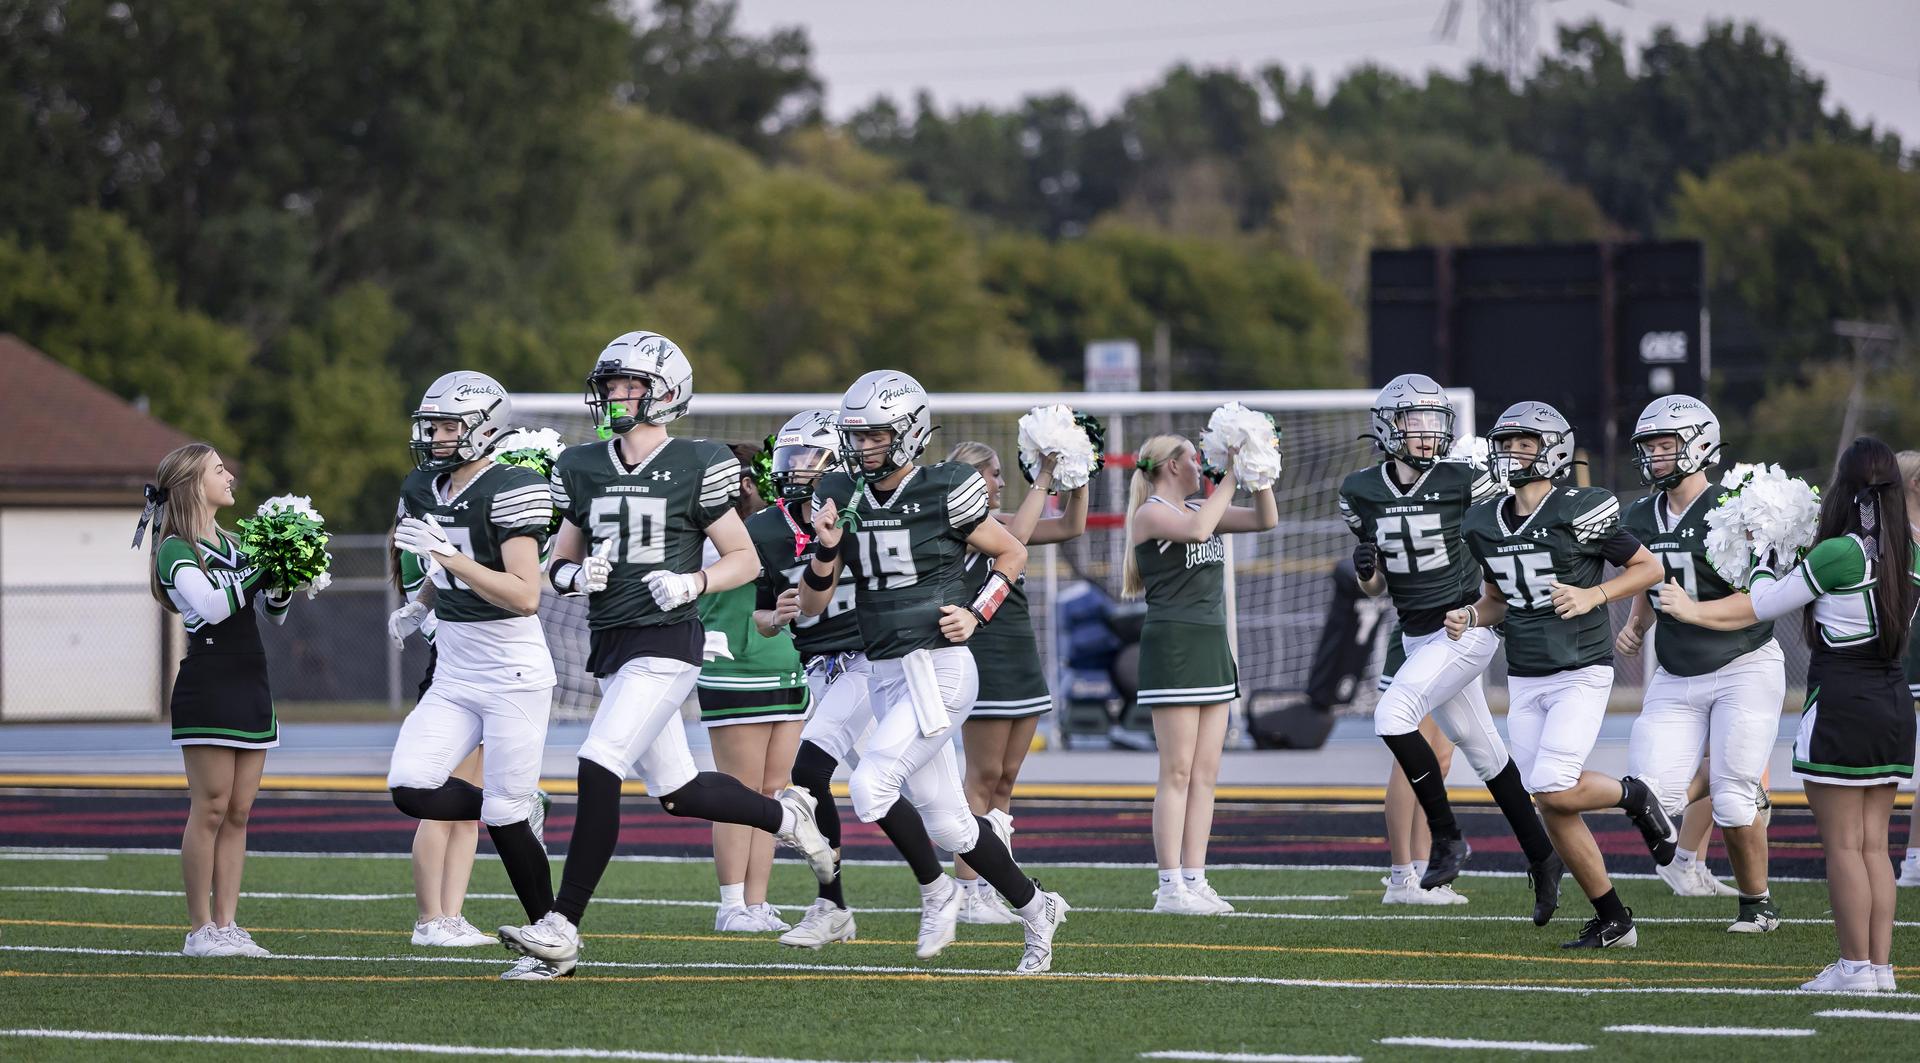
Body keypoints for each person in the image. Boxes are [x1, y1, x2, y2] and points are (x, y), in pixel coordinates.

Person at [499, 332, 833, 979]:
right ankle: (785, 814)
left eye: (627, 383)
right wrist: (575, 577)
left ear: (665, 392)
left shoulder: (697, 462)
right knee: (679, 792)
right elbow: (555, 562)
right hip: (615, 641)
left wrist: (694, 582)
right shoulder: (583, 465)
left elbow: (745, 558)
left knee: (598, 762)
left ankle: (561, 928)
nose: (613, 395)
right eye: (609, 384)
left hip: (668, 641)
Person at [800, 370, 1069, 974]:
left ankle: (939, 891)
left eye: (873, 435)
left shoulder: (946, 488)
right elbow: (815, 605)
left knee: (871, 785)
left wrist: (977, 612)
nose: (861, 446)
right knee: (950, 823)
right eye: (856, 436)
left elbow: (1012, 551)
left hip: (941, 670)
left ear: (908, 433)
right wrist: (823, 548)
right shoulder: (841, 492)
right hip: (884, 672)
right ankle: (1036, 907)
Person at [1660, 436, 1916, 991]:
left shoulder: (1842, 552)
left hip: (1845, 703)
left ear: (1845, 487)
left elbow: (1761, 605)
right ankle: (1878, 968)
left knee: (1846, 847)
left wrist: (1759, 557)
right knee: (1876, 845)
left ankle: (1853, 967)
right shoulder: (1911, 550)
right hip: (1894, 705)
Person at [1340, 374, 1564, 922]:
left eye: (1434, 422)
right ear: (1388, 428)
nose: (1426, 434)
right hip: (1417, 631)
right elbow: (1378, 588)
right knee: (1486, 753)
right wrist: (1367, 574)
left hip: (1466, 627)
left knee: (1393, 716)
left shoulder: (1464, 480)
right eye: (1414, 423)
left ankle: (1446, 840)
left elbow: (1512, 525)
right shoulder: (1360, 491)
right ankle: (1543, 857)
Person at [1449, 401, 1665, 948]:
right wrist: (1473, 615)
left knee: (1552, 784)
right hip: (1525, 673)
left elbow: (1649, 567)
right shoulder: (1482, 520)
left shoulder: (1580, 508)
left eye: (1526, 443)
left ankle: (1633, 795)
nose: (1513, 453)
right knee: (1548, 800)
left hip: (1581, 668)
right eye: (1508, 443)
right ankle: (1614, 918)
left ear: (1554, 451)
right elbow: (1499, 599)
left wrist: (1594, 593)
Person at [746, 409, 948, 951]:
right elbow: (760, 617)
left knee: (813, 768)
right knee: (872, 790)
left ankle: (921, 889)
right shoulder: (763, 528)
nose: (797, 471)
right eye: (790, 460)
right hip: (818, 667)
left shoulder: (866, 512)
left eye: (811, 459)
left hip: (871, 657)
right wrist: (778, 614)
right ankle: (840, 903)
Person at [384, 372, 561, 979]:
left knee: (505, 812)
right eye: (430, 424)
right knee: (410, 784)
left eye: (447, 425)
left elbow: (524, 593)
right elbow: (448, 567)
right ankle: (514, 805)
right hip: (457, 664)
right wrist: (421, 603)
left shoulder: (514, 485)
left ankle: (552, 939)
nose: (434, 435)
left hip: (511, 666)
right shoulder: (423, 486)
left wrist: (450, 558)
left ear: (484, 426)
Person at [1615, 395, 1788, 933]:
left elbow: (1760, 598)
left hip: (1744, 664)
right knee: (1649, 791)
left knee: (1734, 799)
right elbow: (1650, 574)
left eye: (1668, 444)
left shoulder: (1739, 507)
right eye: (1651, 446)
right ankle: (1687, 857)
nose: (1658, 456)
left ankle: (1757, 904)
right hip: (1677, 670)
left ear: (1702, 445)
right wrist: (1639, 621)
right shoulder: (1642, 513)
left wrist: (1694, 610)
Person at [138, 443, 293, 959]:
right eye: (219, 469)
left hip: (252, 680)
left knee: (240, 811)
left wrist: (284, 580)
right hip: (209, 683)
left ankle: (227, 924)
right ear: (191, 484)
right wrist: (261, 568)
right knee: (209, 807)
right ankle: (199, 929)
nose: (230, 476)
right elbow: (210, 605)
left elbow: (271, 616)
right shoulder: (175, 549)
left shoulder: (238, 541)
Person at [1123, 432, 1277, 915]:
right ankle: (1169, 886)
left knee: (1207, 773)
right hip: (1174, 647)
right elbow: (1195, 533)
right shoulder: (1151, 512)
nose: (1199, 462)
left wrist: (1259, 471)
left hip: (1212, 645)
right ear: (1171, 465)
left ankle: (1196, 877)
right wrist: (1231, 474)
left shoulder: (1196, 508)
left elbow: (1264, 519)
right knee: (1178, 770)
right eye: (1192, 456)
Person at [946, 442, 1088, 924]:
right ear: (969, 478)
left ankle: (994, 884)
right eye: (994, 474)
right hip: (981, 657)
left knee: (1006, 780)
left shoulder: (1001, 520)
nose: (1001, 482)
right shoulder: (954, 524)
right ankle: (966, 890)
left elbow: (1071, 526)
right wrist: (1044, 473)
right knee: (980, 778)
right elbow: (1020, 539)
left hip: (1020, 656)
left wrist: (1078, 474)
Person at [698, 442, 809, 933]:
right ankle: (730, 905)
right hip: (733, 670)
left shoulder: (779, 533)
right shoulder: (708, 536)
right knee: (737, 792)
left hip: (786, 667)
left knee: (772, 794)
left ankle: (758, 904)